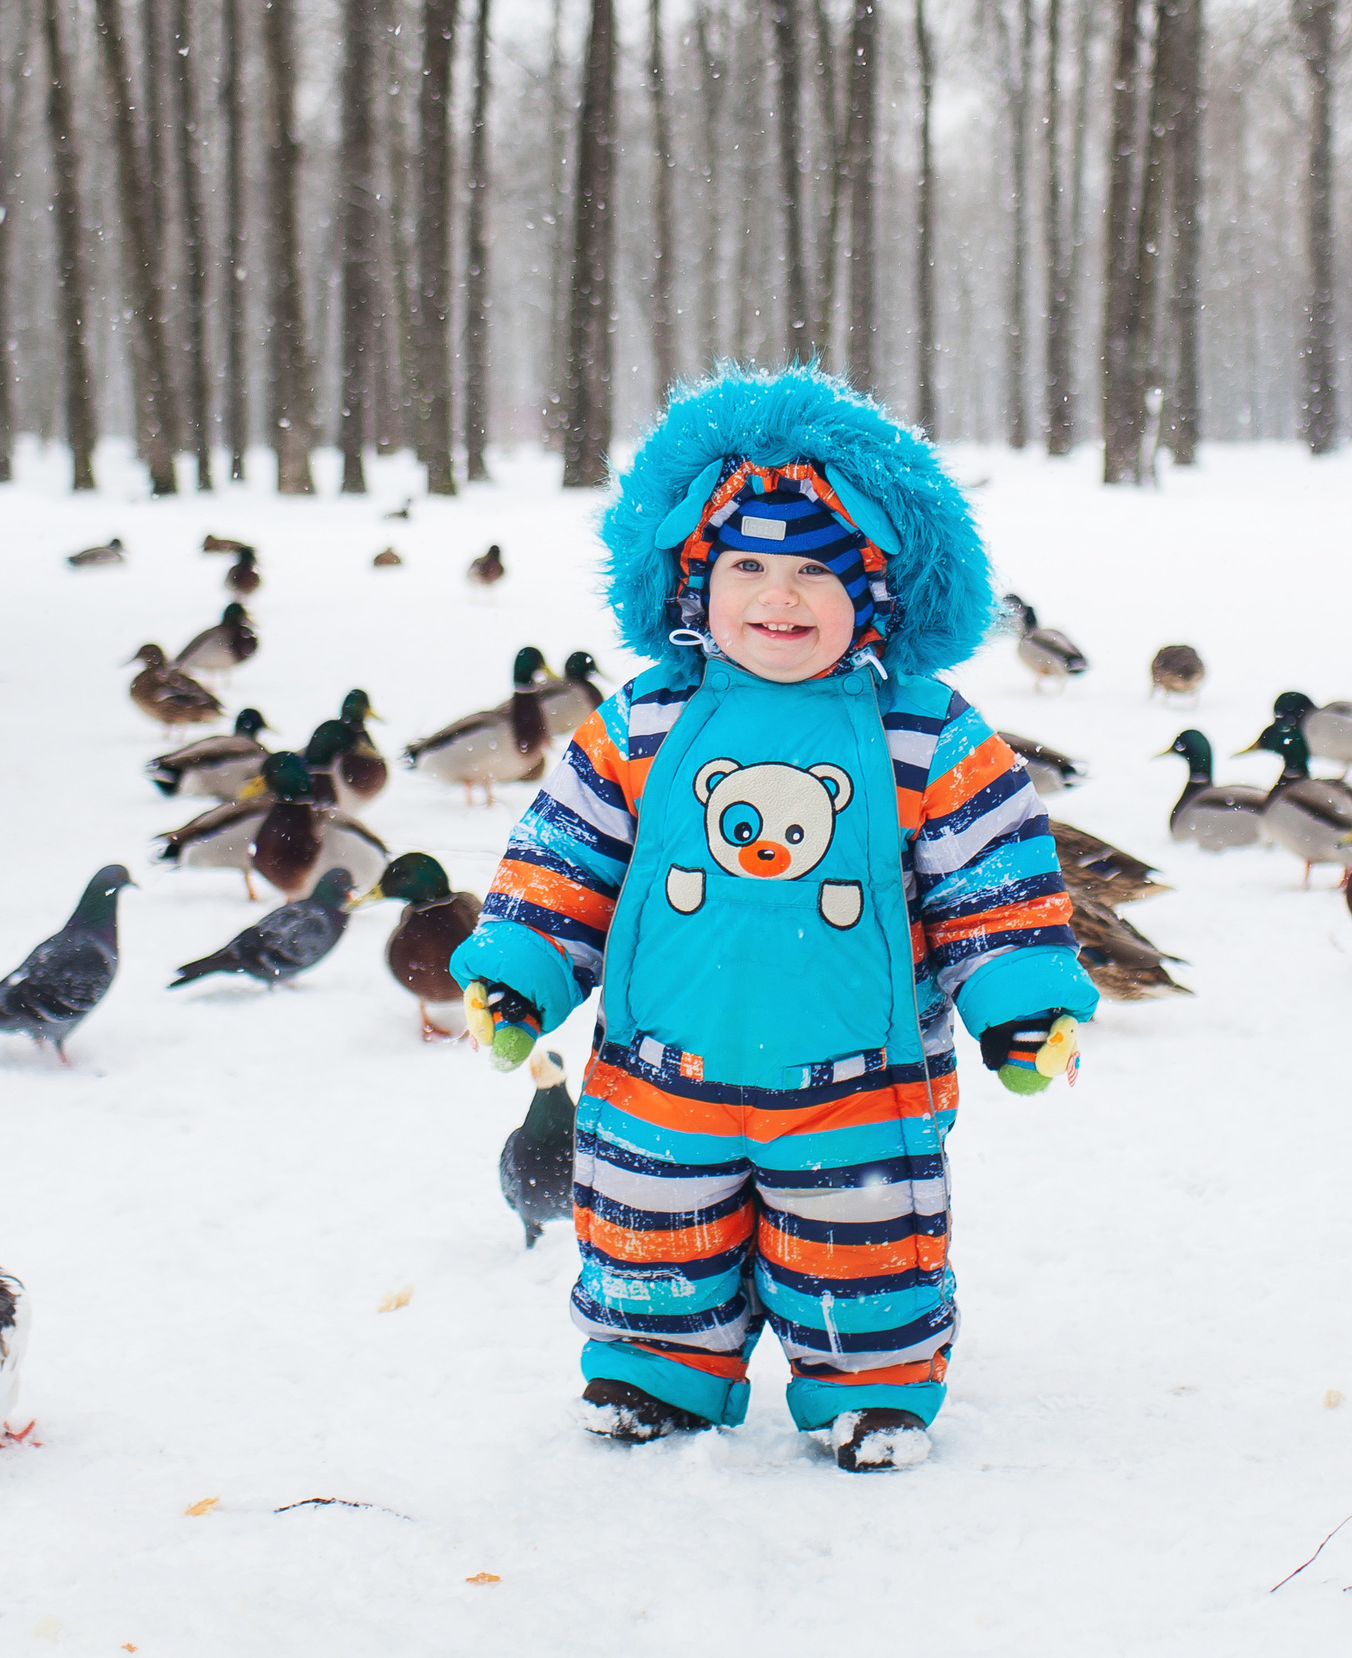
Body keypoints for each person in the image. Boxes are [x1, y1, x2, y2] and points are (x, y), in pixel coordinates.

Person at [449, 368, 1097, 1472]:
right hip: (661, 1069)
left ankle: (869, 1384)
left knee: (862, 1246)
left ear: (877, 590)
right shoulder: (646, 719)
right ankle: (655, 1371)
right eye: (745, 563)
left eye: (813, 569)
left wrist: (1021, 1003)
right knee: (654, 1232)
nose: (777, 596)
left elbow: (994, 879)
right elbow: (567, 853)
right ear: (692, 581)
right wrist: (520, 964)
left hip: (861, 1079)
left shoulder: (922, 731)